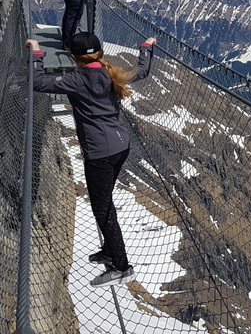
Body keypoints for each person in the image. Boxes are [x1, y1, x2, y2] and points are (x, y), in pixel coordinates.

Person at [27, 32, 156, 287]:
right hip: (121, 146)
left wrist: (35, 52)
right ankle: (110, 251)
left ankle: (121, 266)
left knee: (103, 208)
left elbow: (38, 82)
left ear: (74, 58)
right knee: (104, 202)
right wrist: (146, 48)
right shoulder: (112, 73)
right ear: (100, 53)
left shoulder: (76, 79)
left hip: (99, 153)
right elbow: (141, 71)